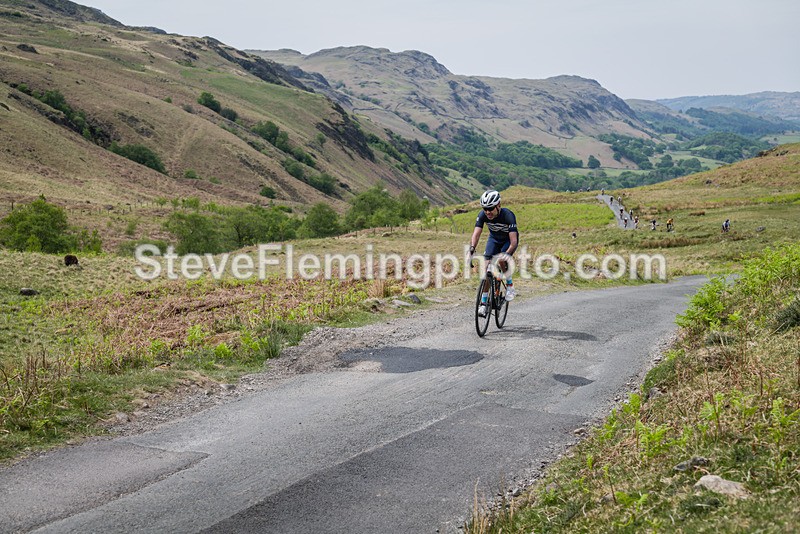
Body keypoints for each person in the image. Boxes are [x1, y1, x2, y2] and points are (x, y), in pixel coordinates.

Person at [469, 190, 519, 317]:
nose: (488, 212)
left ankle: (510, 285)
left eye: (490, 208)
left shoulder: (508, 215)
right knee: (487, 269)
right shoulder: (483, 215)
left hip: (508, 241)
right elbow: (476, 234)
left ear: (498, 205)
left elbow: (513, 242)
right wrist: (472, 248)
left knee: (501, 260)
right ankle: (483, 303)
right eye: (485, 209)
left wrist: (506, 255)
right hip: (494, 240)